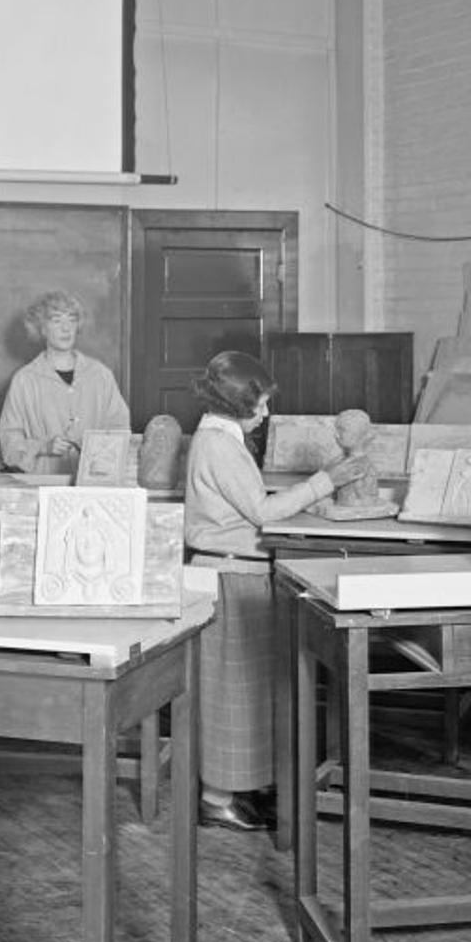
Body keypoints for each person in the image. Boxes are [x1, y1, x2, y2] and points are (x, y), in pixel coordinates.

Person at [184, 350, 371, 832]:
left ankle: (236, 791)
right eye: (261, 404)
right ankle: (216, 799)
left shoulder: (221, 438)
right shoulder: (218, 445)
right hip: (230, 576)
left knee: (248, 695)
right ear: (235, 403)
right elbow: (262, 513)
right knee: (231, 694)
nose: (266, 413)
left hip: (240, 572)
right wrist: (326, 481)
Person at [0, 290, 130, 475]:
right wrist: (43, 447)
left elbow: (119, 429)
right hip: (42, 484)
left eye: (72, 319)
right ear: (41, 328)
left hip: (92, 484)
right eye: (56, 320)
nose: (66, 328)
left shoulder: (100, 375)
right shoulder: (25, 380)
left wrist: (95, 451)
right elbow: (8, 441)